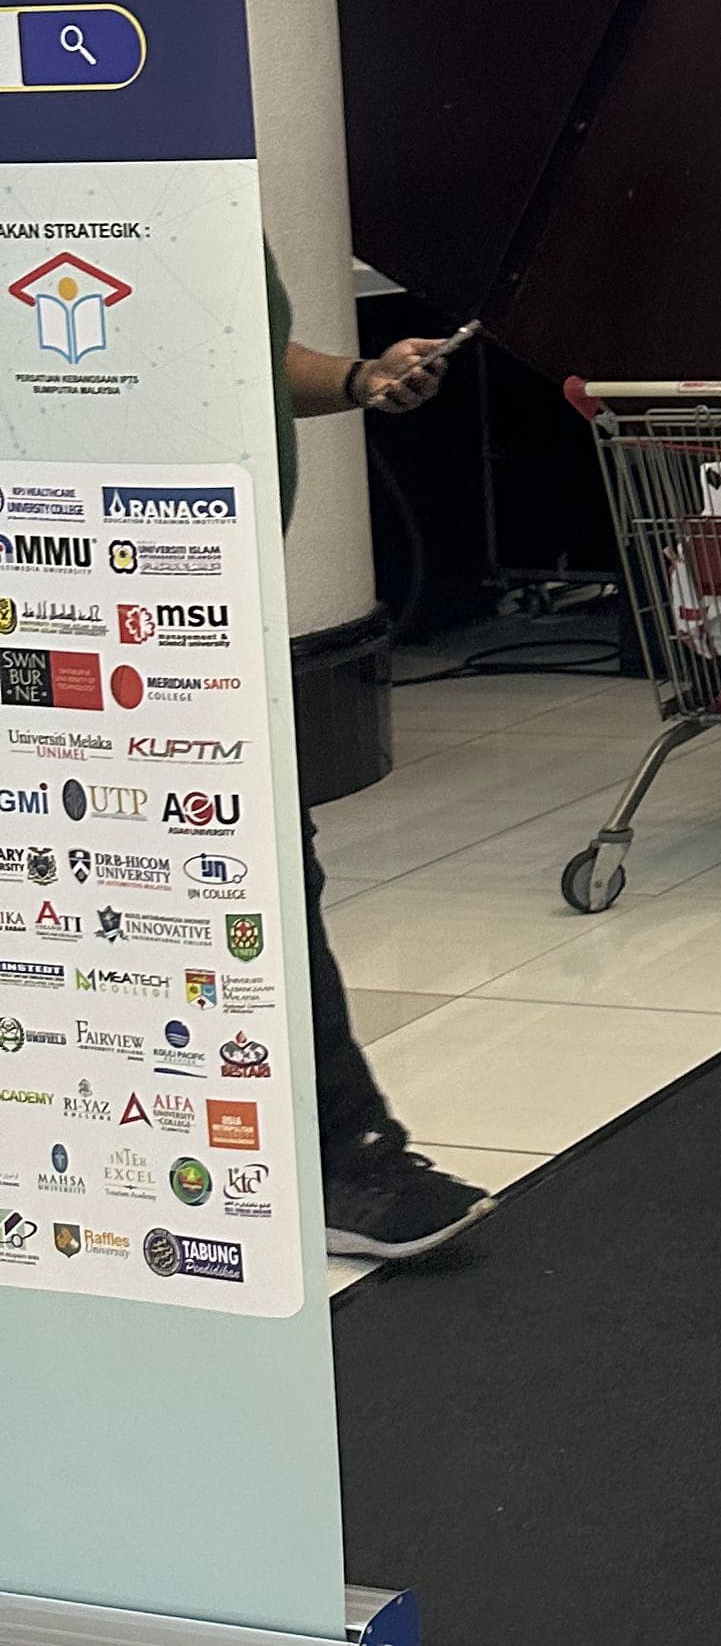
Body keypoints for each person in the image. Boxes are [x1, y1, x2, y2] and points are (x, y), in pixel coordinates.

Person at [268, 252, 492, 1264]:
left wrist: (358, 377)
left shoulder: (199, 191)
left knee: (262, 867)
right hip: (65, 595)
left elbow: (247, 357)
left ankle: (334, 1159)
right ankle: (343, 1158)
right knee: (267, 868)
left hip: (182, 598)